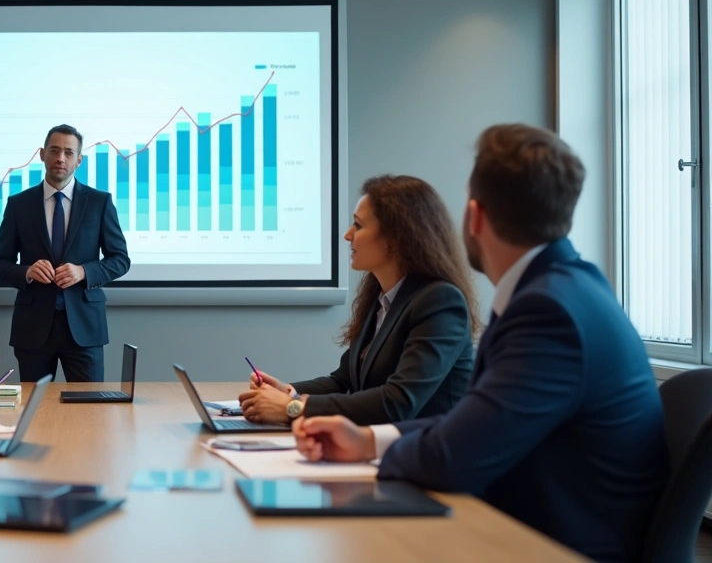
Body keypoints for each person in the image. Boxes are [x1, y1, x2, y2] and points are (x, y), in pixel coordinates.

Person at [293, 124, 669, 562]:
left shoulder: (547, 312)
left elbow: (454, 456)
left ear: (475, 217)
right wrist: (365, 441)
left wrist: (370, 444)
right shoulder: (564, 290)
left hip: (560, 546)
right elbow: (471, 424)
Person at [239, 175, 477, 426]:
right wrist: (288, 391)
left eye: (358, 225)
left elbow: (398, 402)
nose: (347, 235)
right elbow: (343, 382)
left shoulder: (440, 302)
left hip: (427, 448)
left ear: (395, 238)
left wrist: (292, 408)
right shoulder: (382, 299)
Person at [0, 124, 131, 382]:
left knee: (89, 405)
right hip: (33, 328)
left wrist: (84, 271)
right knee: (35, 405)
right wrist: (27, 272)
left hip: (85, 327)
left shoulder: (99, 202)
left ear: (79, 160)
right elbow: (0, 263)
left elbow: (120, 260)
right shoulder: (18, 205)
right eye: (54, 151)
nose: (60, 158)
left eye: (68, 152)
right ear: (42, 154)